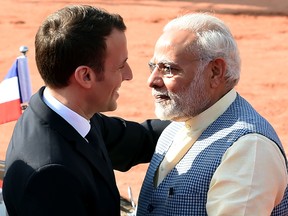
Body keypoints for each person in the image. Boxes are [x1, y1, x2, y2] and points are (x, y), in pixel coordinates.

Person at [2, 5, 169, 216]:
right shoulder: (51, 175)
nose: (129, 75)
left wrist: (208, 121)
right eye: (120, 66)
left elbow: (142, 139)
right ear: (85, 76)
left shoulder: (61, 112)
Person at [136, 13, 288, 215]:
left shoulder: (249, 149)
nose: (152, 81)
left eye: (169, 69)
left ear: (215, 72)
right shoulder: (180, 123)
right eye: (153, 67)